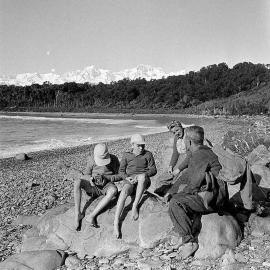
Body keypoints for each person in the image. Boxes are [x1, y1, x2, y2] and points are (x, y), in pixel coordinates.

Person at [166, 126, 226, 259]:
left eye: (185, 140)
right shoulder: (203, 151)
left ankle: (189, 242)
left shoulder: (199, 155)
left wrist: (174, 195)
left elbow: (193, 185)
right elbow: (187, 174)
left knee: (175, 203)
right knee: (178, 196)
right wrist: (173, 189)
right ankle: (187, 233)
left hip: (214, 199)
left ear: (188, 142)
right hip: (216, 194)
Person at [113, 134, 157, 238]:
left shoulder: (148, 154)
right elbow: (121, 171)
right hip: (131, 181)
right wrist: (127, 178)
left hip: (144, 180)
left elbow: (153, 170)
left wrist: (144, 174)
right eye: (139, 145)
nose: (141, 147)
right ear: (132, 145)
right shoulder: (126, 155)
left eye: (143, 145)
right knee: (123, 192)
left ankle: (134, 206)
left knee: (141, 177)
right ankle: (116, 222)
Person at [72, 143, 121, 230]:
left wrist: (107, 178)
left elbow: (120, 175)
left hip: (107, 185)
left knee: (113, 190)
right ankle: (77, 214)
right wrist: (90, 179)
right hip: (93, 186)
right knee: (77, 182)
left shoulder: (114, 159)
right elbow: (86, 174)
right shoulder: (91, 159)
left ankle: (92, 216)